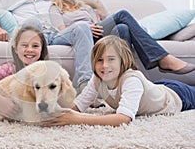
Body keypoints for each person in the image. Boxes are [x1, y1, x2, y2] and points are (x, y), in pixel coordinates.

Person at [49, 0, 195, 85]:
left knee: (123, 28)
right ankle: (162, 58)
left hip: (95, 35)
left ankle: (125, 75)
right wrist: (86, 27)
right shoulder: (55, 7)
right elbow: (61, 30)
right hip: (77, 34)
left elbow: (99, 21)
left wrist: (95, 8)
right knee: (123, 14)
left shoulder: (84, 7)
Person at [42, 35, 195, 127]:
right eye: (99, 60)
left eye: (111, 59)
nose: (104, 65)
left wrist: (76, 119)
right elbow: (79, 105)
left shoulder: (131, 80)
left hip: (177, 96)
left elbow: (124, 119)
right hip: (158, 87)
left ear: (123, 61)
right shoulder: (97, 79)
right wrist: (58, 115)